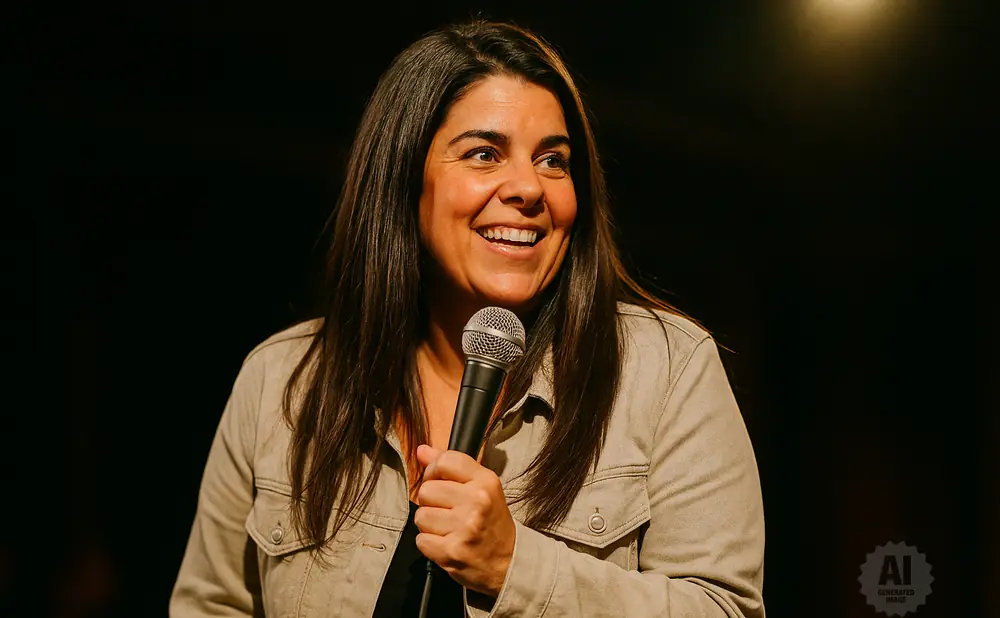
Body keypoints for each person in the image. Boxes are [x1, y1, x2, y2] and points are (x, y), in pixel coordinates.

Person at [170, 19, 766, 618]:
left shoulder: (664, 369)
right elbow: (211, 606)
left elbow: (725, 609)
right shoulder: (283, 381)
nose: (530, 188)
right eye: (484, 154)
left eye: (553, 161)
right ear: (405, 179)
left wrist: (514, 568)